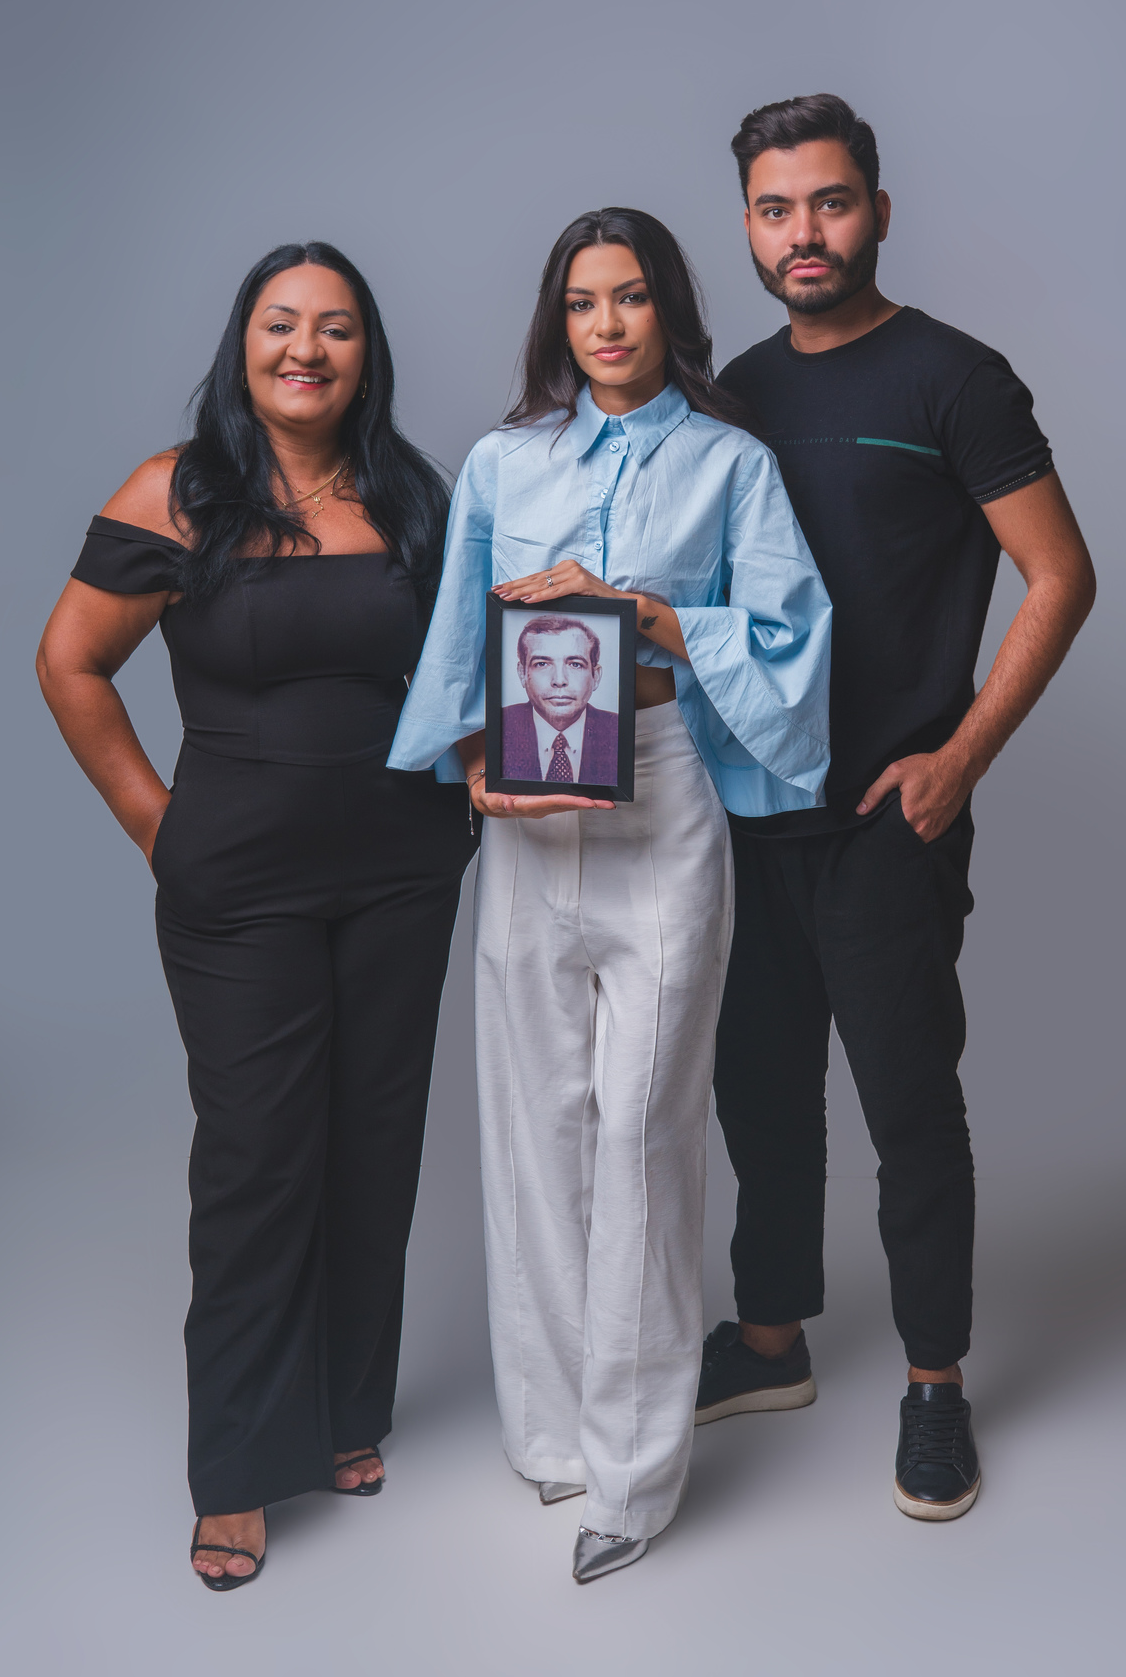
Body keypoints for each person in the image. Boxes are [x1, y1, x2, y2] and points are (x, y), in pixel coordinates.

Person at [389, 208, 831, 1581]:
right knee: (534, 1120)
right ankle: (553, 1436)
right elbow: (458, 637)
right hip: (531, 804)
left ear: (667, 311)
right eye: (582, 302)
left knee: (644, 1125)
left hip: (661, 782)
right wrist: (475, 764)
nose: (606, 324)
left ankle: (633, 1479)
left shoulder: (733, 465)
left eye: (630, 297)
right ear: (557, 320)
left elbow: (791, 640)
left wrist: (649, 615)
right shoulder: (503, 461)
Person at [36, 242, 475, 1589]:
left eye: (336, 327)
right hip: (238, 887)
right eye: (282, 324)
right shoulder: (176, 493)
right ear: (244, 344)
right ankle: (234, 1469)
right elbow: (70, 661)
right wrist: (158, 825)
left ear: (365, 354)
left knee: (373, 1144)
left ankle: (344, 1412)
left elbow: (464, 675)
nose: (307, 349)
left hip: (403, 871)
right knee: (258, 1160)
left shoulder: (414, 495)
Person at [698, 95, 1096, 1521]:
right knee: (758, 1089)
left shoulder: (956, 380)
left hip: (888, 814)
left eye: (829, 202)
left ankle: (936, 1386)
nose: (803, 233)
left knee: (909, 1107)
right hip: (750, 812)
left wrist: (962, 756)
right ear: (749, 227)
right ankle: (770, 1340)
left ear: (877, 208)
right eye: (775, 210)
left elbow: (1062, 575)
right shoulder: (733, 389)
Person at [501, 614, 619, 785]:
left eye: (575, 664)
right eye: (542, 664)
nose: (559, 680)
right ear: (522, 673)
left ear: (596, 676)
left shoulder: (618, 731)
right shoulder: (498, 726)